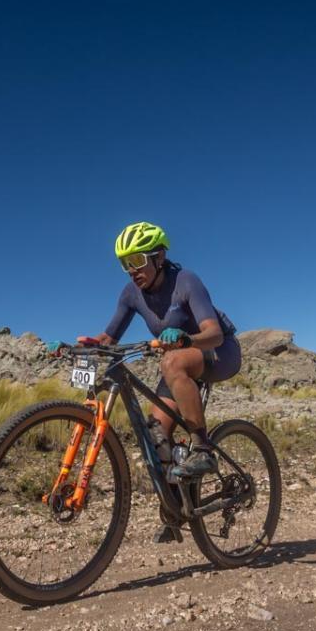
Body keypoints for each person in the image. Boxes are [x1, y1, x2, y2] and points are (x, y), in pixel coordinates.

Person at [47, 221, 241, 541]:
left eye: (137, 260)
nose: (131, 270)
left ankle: (203, 449)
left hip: (219, 352)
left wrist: (186, 339)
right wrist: (79, 346)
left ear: (159, 256)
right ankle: (177, 510)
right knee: (156, 434)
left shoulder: (185, 281)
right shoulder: (131, 294)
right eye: (125, 263)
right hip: (178, 364)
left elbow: (214, 333)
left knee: (172, 361)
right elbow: (109, 338)